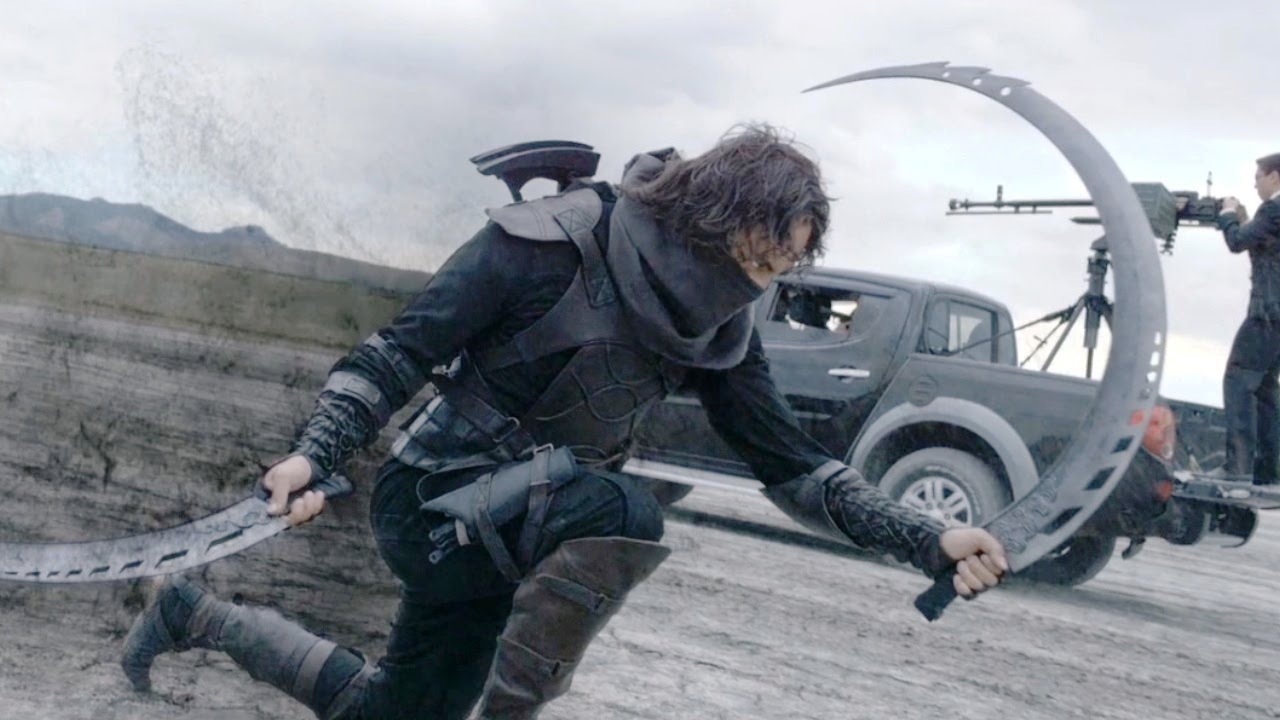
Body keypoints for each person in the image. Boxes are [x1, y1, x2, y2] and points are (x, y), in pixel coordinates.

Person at [119, 124, 1008, 720]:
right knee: (627, 509)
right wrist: (313, 456)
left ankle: (194, 614)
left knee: (392, 712)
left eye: (778, 269)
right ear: (715, 220)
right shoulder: (551, 242)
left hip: (528, 533)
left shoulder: (722, 328)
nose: (758, 283)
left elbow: (793, 466)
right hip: (432, 506)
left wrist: (926, 538)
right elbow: (396, 354)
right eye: (755, 257)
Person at [1219, 152, 1280, 484]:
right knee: (1265, 390)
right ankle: (1268, 471)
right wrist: (1244, 220)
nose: (1255, 184)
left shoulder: (1273, 209)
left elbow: (1237, 242)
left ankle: (1238, 467)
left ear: (1274, 177)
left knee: (1238, 380)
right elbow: (1266, 247)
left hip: (1266, 315)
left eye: (1258, 177)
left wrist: (1228, 214)